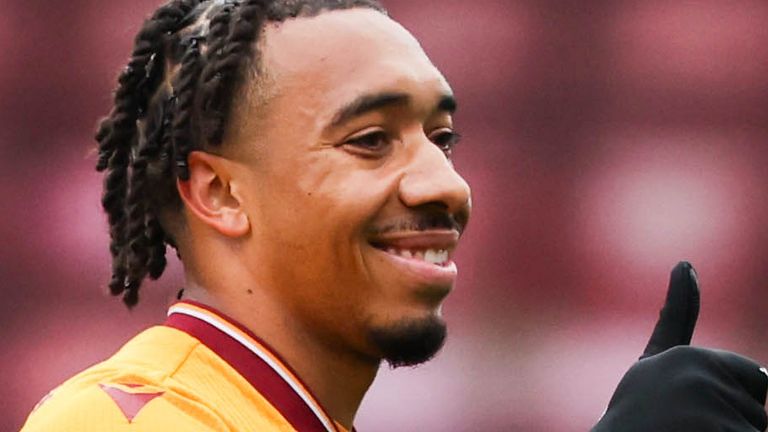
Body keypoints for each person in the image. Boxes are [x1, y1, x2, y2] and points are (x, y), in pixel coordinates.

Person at [19, 0, 768, 431]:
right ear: (220, 194)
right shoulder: (129, 421)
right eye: (371, 141)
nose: (446, 184)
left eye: (443, 140)